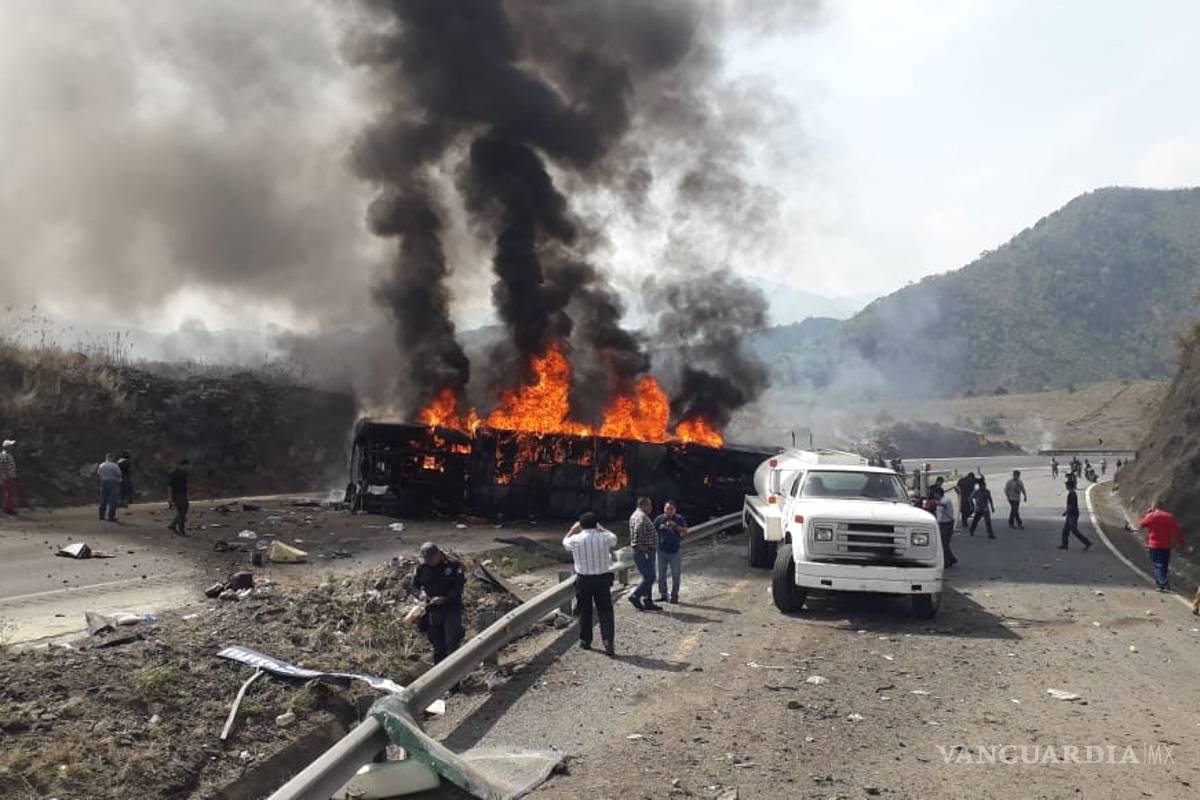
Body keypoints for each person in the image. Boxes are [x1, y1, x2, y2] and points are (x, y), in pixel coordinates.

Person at [562, 512, 617, 656]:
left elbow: (564, 543)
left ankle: (586, 640)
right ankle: (608, 640)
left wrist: (572, 530)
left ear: (581, 525)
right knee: (605, 611)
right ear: (596, 524)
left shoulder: (575, 539)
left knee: (585, 611)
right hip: (602, 578)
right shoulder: (604, 537)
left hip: (584, 579)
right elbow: (614, 539)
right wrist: (602, 528)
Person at [412, 542, 466, 664]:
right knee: (438, 645)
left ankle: (455, 678)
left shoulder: (452, 565)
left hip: (451, 608)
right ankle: (439, 676)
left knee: (451, 642)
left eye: (432, 559)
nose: (430, 562)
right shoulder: (422, 566)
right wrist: (420, 594)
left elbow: (459, 588)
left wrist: (445, 598)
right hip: (432, 610)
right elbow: (414, 586)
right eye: (427, 559)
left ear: (438, 554)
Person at [1137, 503, 1186, 592]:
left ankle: (1162, 583)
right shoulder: (1170, 517)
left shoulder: (1152, 516)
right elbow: (1177, 531)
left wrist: (1148, 514)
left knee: (1158, 564)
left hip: (1155, 545)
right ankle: (1162, 583)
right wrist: (1182, 543)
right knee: (1164, 565)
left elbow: (1141, 524)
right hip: (1167, 546)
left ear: (1154, 507)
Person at [627, 497, 661, 611]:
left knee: (647, 576)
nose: (651, 507)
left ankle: (648, 601)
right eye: (649, 505)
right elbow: (637, 536)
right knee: (650, 577)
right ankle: (636, 595)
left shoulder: (636, 515)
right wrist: (644, 549)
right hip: (644, 552)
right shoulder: (641, 517)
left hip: (645, 551)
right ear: (644, 505)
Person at [655, 501, 689, 604]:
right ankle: (663, 595)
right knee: (660, 575)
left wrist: (675, 526)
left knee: (675, 575)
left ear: (675, 510)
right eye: (667, 509)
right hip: (661, 551)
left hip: (675, 551)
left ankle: (674, 596)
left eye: (671, 509)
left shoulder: (679, 519)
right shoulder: (659, 519)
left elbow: (686, 531)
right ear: (664, 509)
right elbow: (652, 532)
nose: (669, 511)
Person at [1058, 477, 1092, 550]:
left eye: (1067, 485)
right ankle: (1064, 545)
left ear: (1070, 486)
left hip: (1072, 514)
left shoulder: (1072, 494)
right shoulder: (1071, 493)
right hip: (1071, 514)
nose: (1066, 486)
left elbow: (1071, 505)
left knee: (1074, 530)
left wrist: (1066, 512)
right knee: (1066, 530)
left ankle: (1087, 542)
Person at [932, 485, 957, 567]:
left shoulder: (946, 500)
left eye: (935, 494)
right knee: (943, 543)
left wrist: (933, 503)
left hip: (947, 524)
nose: (934, 496)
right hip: (941, 524)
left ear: (938, 493)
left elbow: (943, 504)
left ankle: (946, 562)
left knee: (944, 544)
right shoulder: (940, 499)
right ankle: (952, 559)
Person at [167, 458, 190, 535]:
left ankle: (173, 525)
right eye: (186, 466)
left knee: (181, 512)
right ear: (183, 465)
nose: (187, 467)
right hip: (179, 494)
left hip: (180, 494)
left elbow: (185, 486)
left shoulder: (181, 473)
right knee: (182, 512)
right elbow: (170, 486)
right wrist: (169, 498)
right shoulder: (177, 474)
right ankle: (181, 530)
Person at [97, 453, 122, 522]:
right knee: (113, 499)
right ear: (111, 458)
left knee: (103, 498)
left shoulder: (101, 465)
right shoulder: (114, 465)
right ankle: (111, 516)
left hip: (103, 481)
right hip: (113, 481)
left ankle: (101, 515)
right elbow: (119, 474)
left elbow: (99, 473)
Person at [0, 439, 18, 515]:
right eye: (10, 446)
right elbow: (2, 466)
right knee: (8, 493)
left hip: (10, 476)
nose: (12, 447)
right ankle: (7, 509)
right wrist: (4, 475)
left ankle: (9, 507)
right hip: (7, 476)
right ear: (7, 447)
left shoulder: (8, 454)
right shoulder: (4, 455)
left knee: (10, 493)